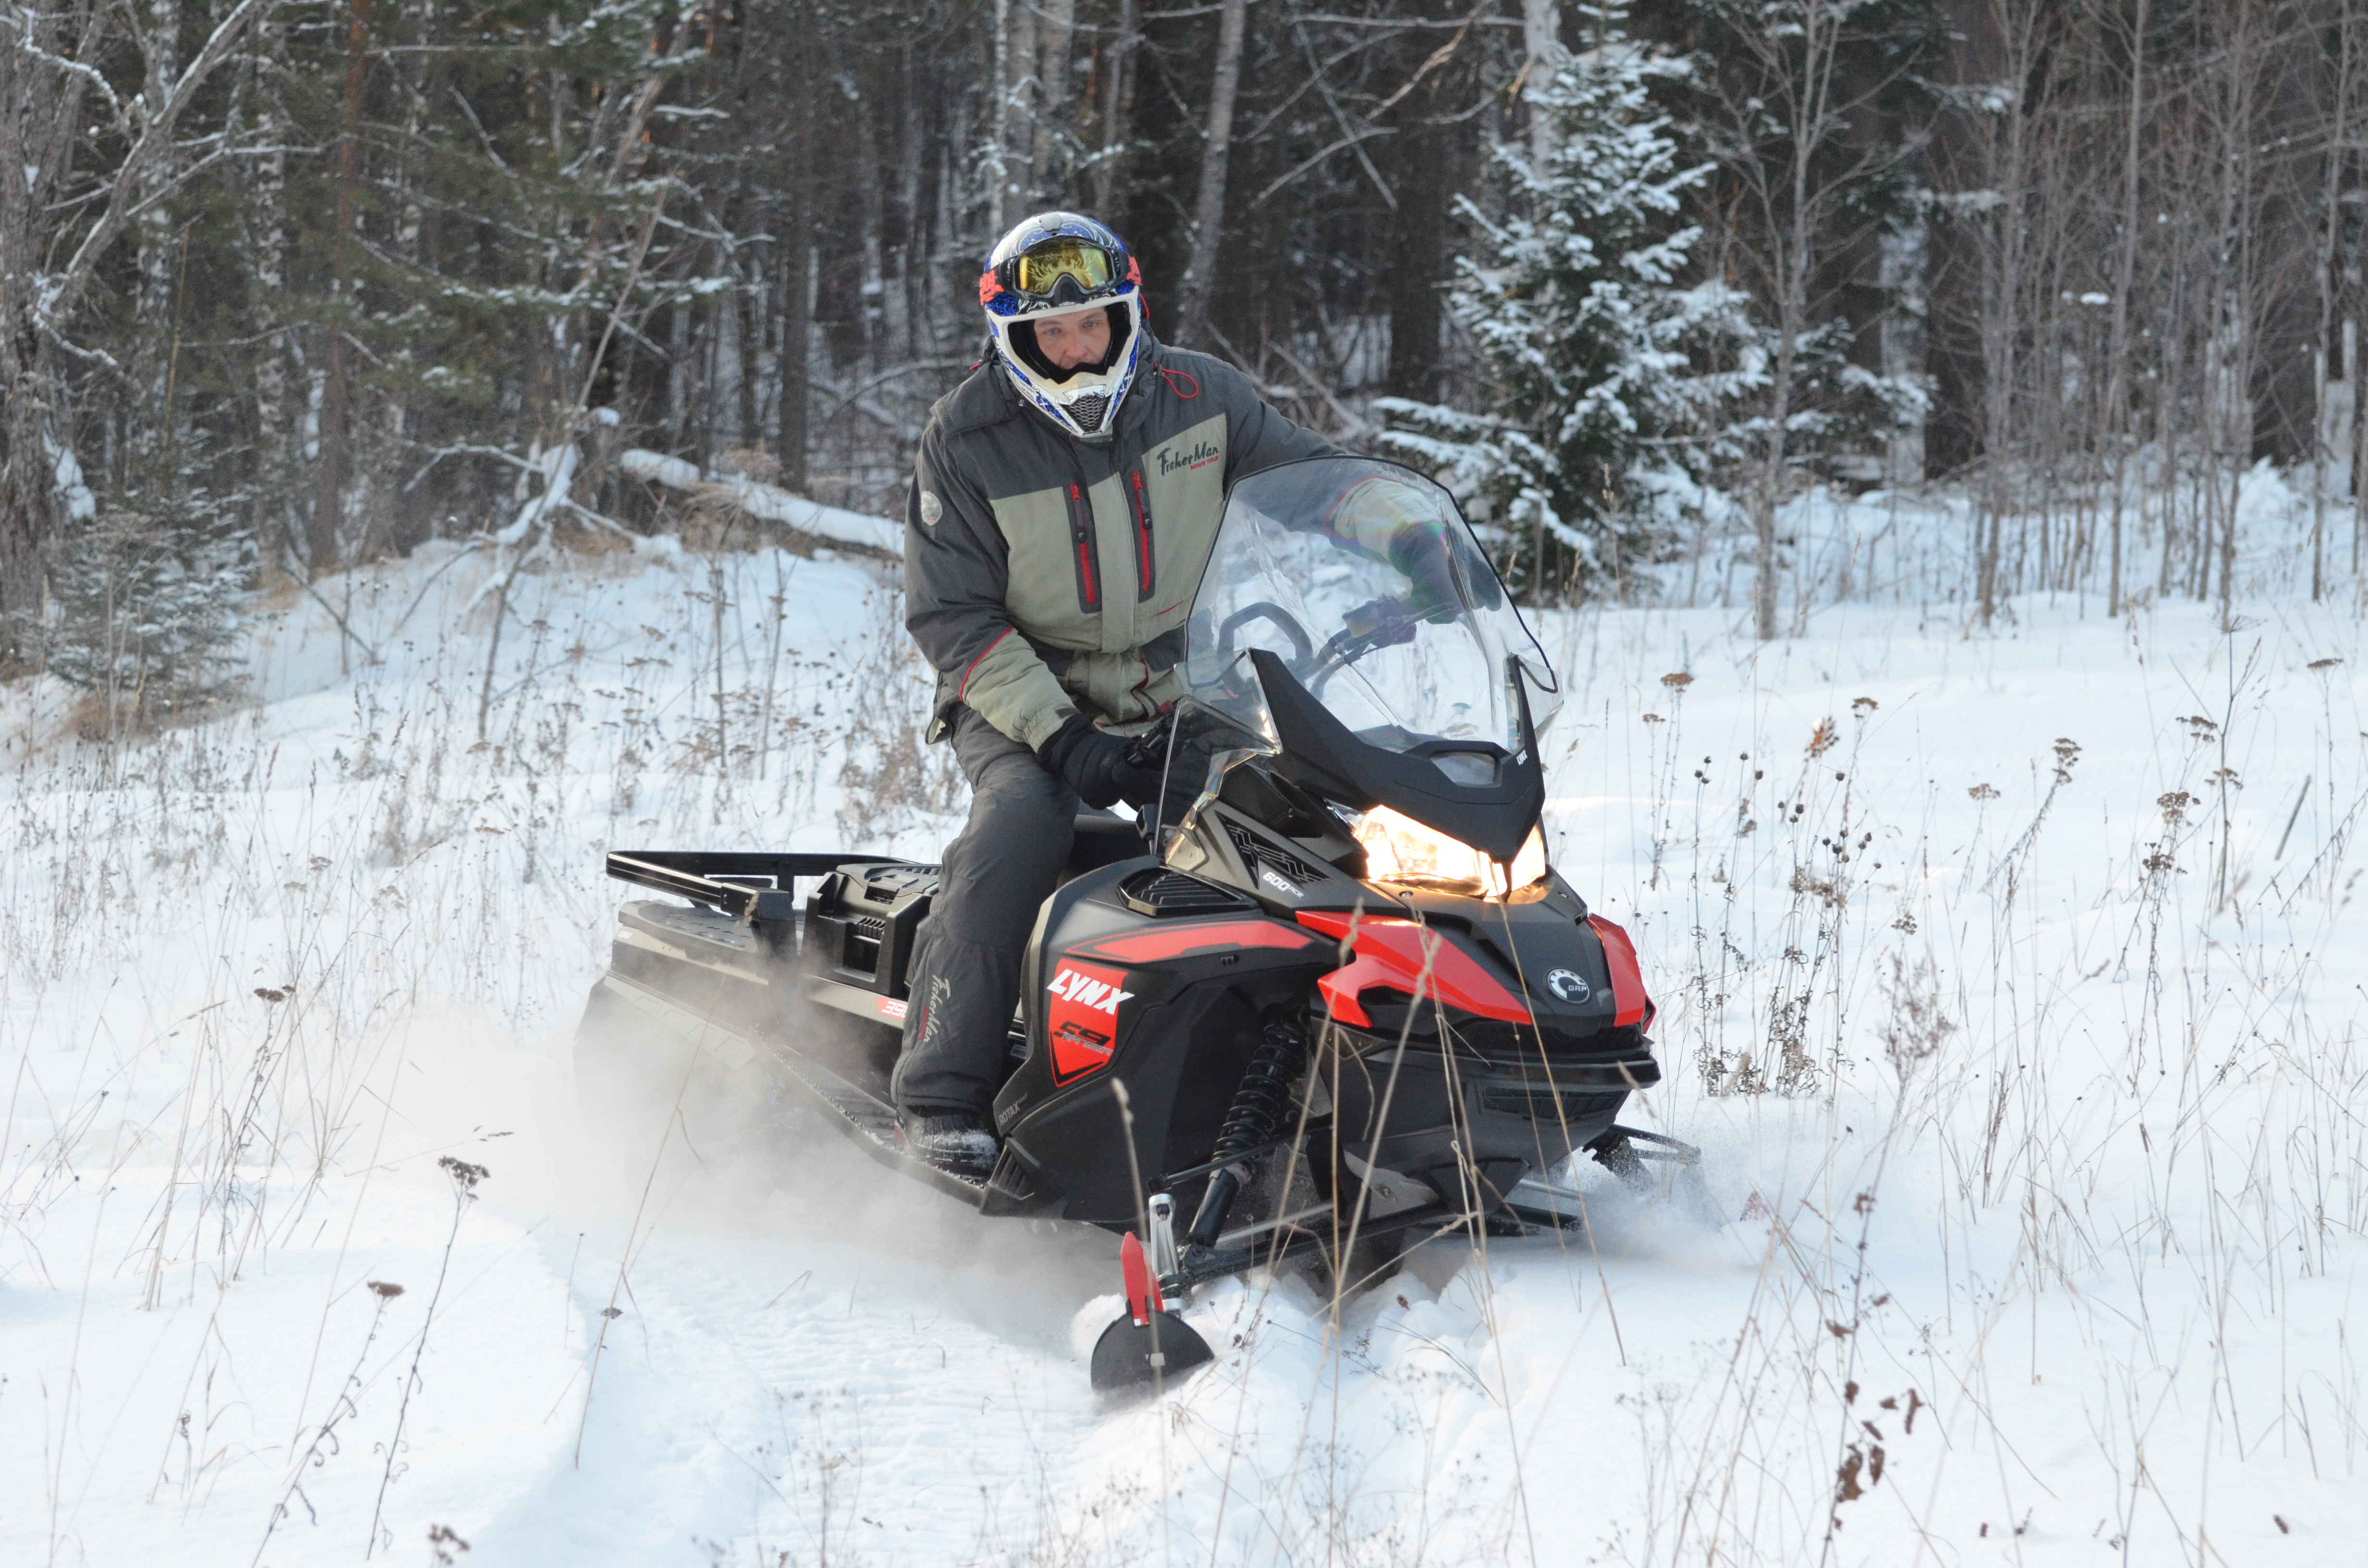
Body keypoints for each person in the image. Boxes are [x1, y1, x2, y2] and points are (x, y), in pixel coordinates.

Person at [891, 210, 1338, 1173]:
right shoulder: (967, 437)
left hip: (1178, 686)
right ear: (1012, 338)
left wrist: (1389, 522)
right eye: (1048, 333)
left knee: (1297, 824)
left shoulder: (1202, 396)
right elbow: (954, 619)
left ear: (1126, 315)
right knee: (1022, 821)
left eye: (1089, 323)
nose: (1072, 346)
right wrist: (1066, 741)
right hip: (1019, 696)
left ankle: (1346, 1063)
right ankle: (942, 1095)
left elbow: (1307, 478)